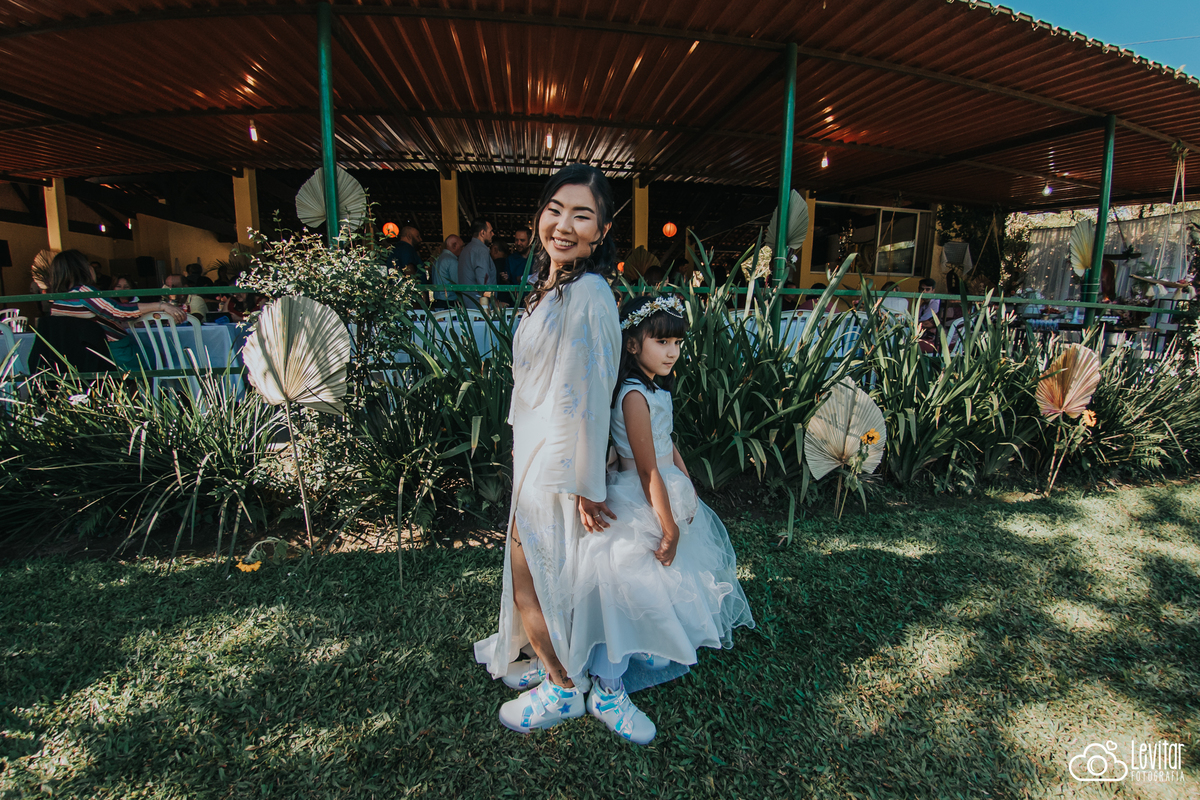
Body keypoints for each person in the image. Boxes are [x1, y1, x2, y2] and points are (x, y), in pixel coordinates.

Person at [474, 165, 622, 735]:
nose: (563, 224)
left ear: (601, 231)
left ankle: (562, 686)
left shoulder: (590, 292)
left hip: (557, 458)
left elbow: (595, 390)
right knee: (538, 570)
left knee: (531, 571)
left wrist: (586, 480)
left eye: (581, 214)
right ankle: (548, 661)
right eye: (555, 208)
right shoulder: (552, 286)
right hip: (531, 445)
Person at [571, 293, 754, 744]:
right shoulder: (633, 396)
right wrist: (668, 522)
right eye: (661, 341)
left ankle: (646, 643)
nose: (672, 351)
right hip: (640, 494)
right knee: (630, 583)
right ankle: (608, 687)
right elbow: (647, 465)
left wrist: (687, 485)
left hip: (663, 489)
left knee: (665, 581)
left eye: (677, 342)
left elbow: (667, 444)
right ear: (633, 344)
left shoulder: (655, 389)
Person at [48, 249, 186, 370]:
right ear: (81, 268)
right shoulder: (84, 292)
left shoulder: (57, 303)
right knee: (164, 357)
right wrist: (162, 305)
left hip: (86, 355)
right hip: (115, 352)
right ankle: (150, 398)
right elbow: (117, 311)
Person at [456, 218, 496, 309]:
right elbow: (483, 282)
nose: (492, 234)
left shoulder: (466, 250)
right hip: (480, 308)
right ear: (482, 233)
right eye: (490, 231)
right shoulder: (481, 251)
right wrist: (496, 303)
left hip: (468, 306)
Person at [432, 234, 464, 309]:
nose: (463, 249)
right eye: (461, 247)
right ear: (454, 245)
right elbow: (457, 284)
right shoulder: (452, 261)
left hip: (438, 303)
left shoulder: (437, 259)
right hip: (449, 304)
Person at [916, 277, 941, 353]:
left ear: (933, 290)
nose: (924, 292)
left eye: (927, 289)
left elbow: (923, 322)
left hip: (934, 340)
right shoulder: (923, 305)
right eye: (922, 289)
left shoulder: (935, 303)